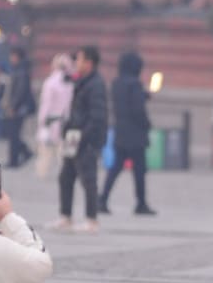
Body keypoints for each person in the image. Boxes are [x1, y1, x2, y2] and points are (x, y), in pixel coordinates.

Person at [52, 45, 108, 233]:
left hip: (85, 138)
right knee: (65, 177)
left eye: (80, 60)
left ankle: (92, 220)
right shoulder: (82, 81)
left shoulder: (95, 85)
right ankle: (65, 216)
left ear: (89, 63)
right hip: (73, 135)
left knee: (88, 179)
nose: (76, 63)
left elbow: (97, 116)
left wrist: (86, 136)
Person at [98, 51, 157, 215]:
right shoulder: (135, 84)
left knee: (115, 168)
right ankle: (141, 203)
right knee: (139, 171)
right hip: (136, 135)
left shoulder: (117, 83)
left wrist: (143, 95)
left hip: (121, 132)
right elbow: (137, 109)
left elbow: (126, 102)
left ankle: (103, 199)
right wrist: (147, 124)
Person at [36, 53, 74, 179]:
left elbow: (46, 104)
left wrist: (41, 121)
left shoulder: (50, 82)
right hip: (69, 121)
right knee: (66, 153)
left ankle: (42, 173)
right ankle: (67, 174)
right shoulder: (72, 82)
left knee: (45, 151)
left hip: (51, 121)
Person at [4, 48, 35, 168]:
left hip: (18, 108)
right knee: (14, 134)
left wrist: (14, 106)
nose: (11, 59)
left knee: (13, 134)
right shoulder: (19, 70)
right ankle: (18, 157)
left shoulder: (21, 71)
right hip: (18, 107)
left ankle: (15, 159)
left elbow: (20, 91)